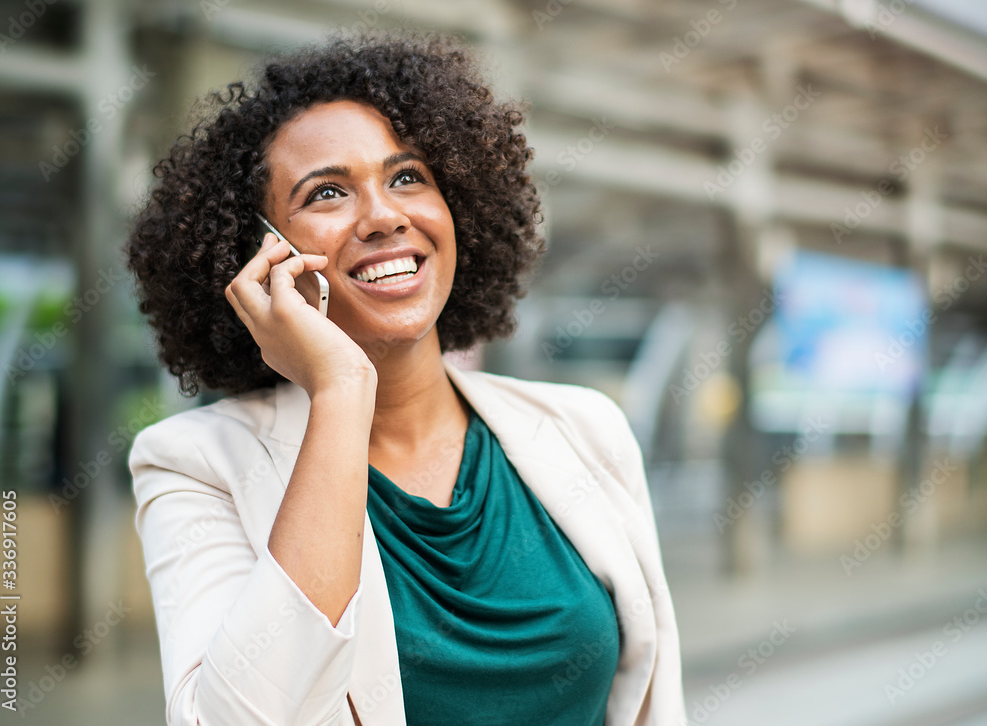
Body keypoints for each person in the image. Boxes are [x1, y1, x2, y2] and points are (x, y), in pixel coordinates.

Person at [126, 31, 684, 726]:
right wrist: (339, 391)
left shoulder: (584, 429)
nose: (386, 215)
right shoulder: (194, 465)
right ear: (261, 258)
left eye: (408, 177)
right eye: (327, 192)